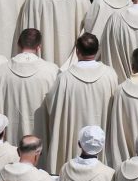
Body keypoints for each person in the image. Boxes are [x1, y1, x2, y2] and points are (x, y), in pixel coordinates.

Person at [43, 33, 118, 173]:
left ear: (77, 51)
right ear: (97, 50)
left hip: (72, 138)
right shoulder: (110, 75)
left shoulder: (65, 77)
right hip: (102, 134)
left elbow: (52, 104)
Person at [0, 29, 57, 144]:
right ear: (39, 47)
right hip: (41, 143)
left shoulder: (1, 72)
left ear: (18, 44)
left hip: (9, 145)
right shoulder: (52, 72)